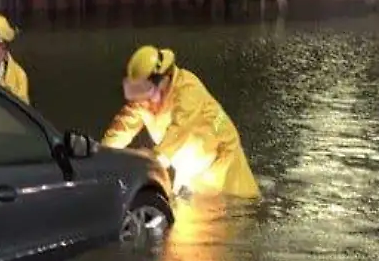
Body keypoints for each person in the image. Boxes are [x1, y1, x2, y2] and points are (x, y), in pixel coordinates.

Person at [101, 46, 260, 199]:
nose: (140, 99)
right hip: (189, 162)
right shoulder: (143, 99)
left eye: (144, 89)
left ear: (163, 80)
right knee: (186, 213)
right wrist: (102, 153)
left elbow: (180, 128)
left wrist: (154, 158)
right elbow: (124, 124)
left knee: (235, 206)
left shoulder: (187, 90)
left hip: (221, 155)